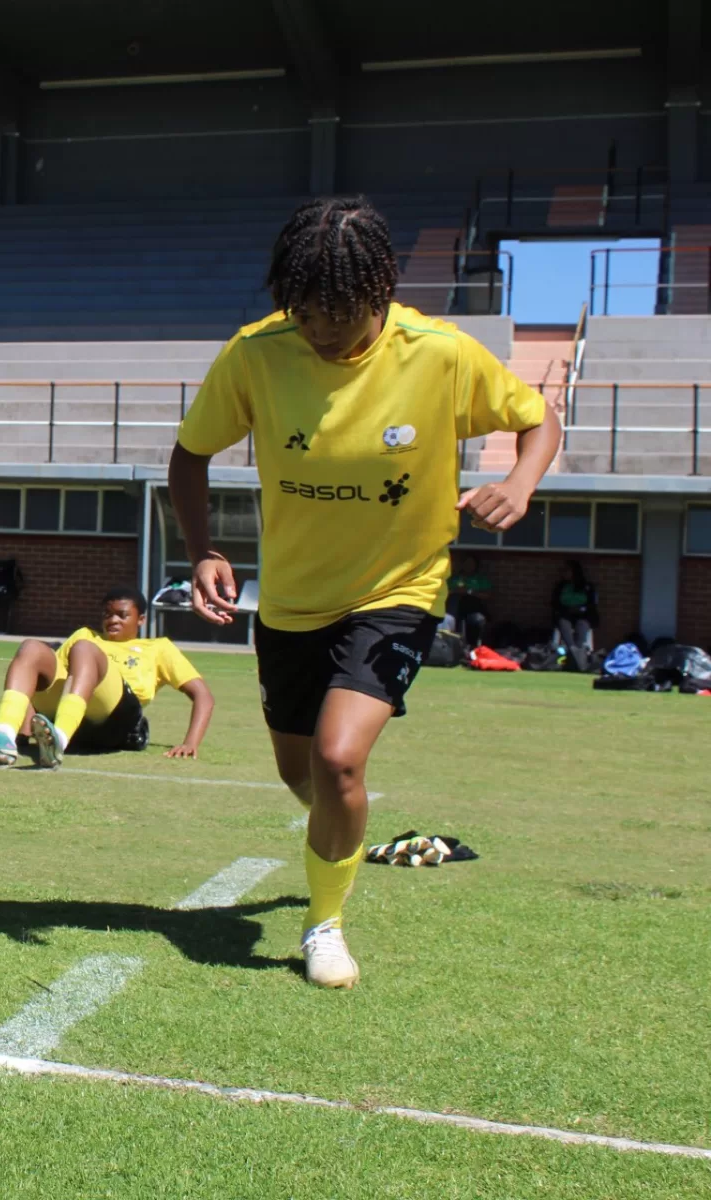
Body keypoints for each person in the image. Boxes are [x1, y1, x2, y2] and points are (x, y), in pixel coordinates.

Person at [169, 196, 560, 989]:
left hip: (399, 591)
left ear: (380, 292)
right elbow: (189, 456)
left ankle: (325, 927)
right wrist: (202, 549)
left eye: (339, 312)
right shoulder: (256, 354)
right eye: (305, 311)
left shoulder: (440, 354)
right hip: (290, 603)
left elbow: (537, 418)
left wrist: (519, 481)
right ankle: (349, 838)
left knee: (340, 761)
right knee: (302, 776)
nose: (321, 329)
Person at [0, 586, 214, 768]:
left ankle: (59, 738)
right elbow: (45, 682)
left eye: (122, 614)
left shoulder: (158, 647)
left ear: (141, 619)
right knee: (32, 648)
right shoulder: (85, 634)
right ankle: (5, 736)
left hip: (116, 719)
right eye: (107, 614)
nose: (112, 620)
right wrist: (25, 732)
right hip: (71, 717)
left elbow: (203, 695)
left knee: (84, 649)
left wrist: (191, 742)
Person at [552, 560, 599, 671]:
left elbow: (592, 605)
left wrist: (580, 609)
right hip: (565, 614)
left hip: (583, 615)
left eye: (567, 571)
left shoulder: (587, 587)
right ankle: (571, 650)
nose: (564, 573)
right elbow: (555, 603)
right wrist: (567, 609)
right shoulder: (561, 586)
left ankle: (579, 653)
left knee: (582, 627)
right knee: (563, 624)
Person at [446, 553, 492, 650]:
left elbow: (488, 595)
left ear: (476, 565)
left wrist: (469, 591)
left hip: (473, 609)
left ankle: (473, 646)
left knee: (477, 620)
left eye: (471, 564)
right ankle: (453, 647)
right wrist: (455, 591)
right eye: (467, 563)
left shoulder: (480, 579)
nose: (469, 566)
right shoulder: (454, 578)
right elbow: (444, 592)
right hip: (454, 609)